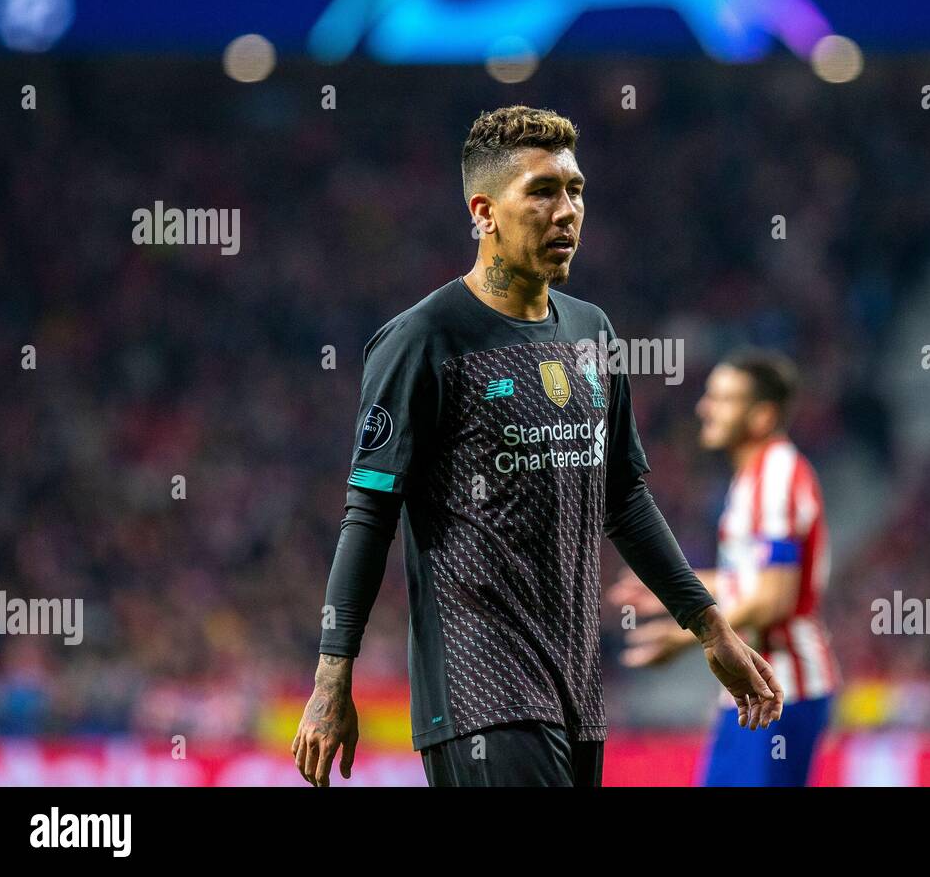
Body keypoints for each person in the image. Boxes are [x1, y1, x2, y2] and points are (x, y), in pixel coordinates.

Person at [291, 105, 782, 787]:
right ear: (486, 211)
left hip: (576, 695)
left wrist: (709, 626)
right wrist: (330, 677)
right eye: (543, 192)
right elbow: (368, 516)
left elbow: (625, 499)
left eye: (575, 190)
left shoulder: (592, 330)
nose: (567, 211)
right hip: (480, 695)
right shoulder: (425, 340)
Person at [612, 350, 839, 786]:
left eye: (724, 399)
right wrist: (674, 588)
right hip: (751, 687)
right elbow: (750, 579)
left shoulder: (779, 476)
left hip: (784, 688)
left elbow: (773, 597)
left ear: (762, 416)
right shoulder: (752, 478)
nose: (705, 408)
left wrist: (686, 636)